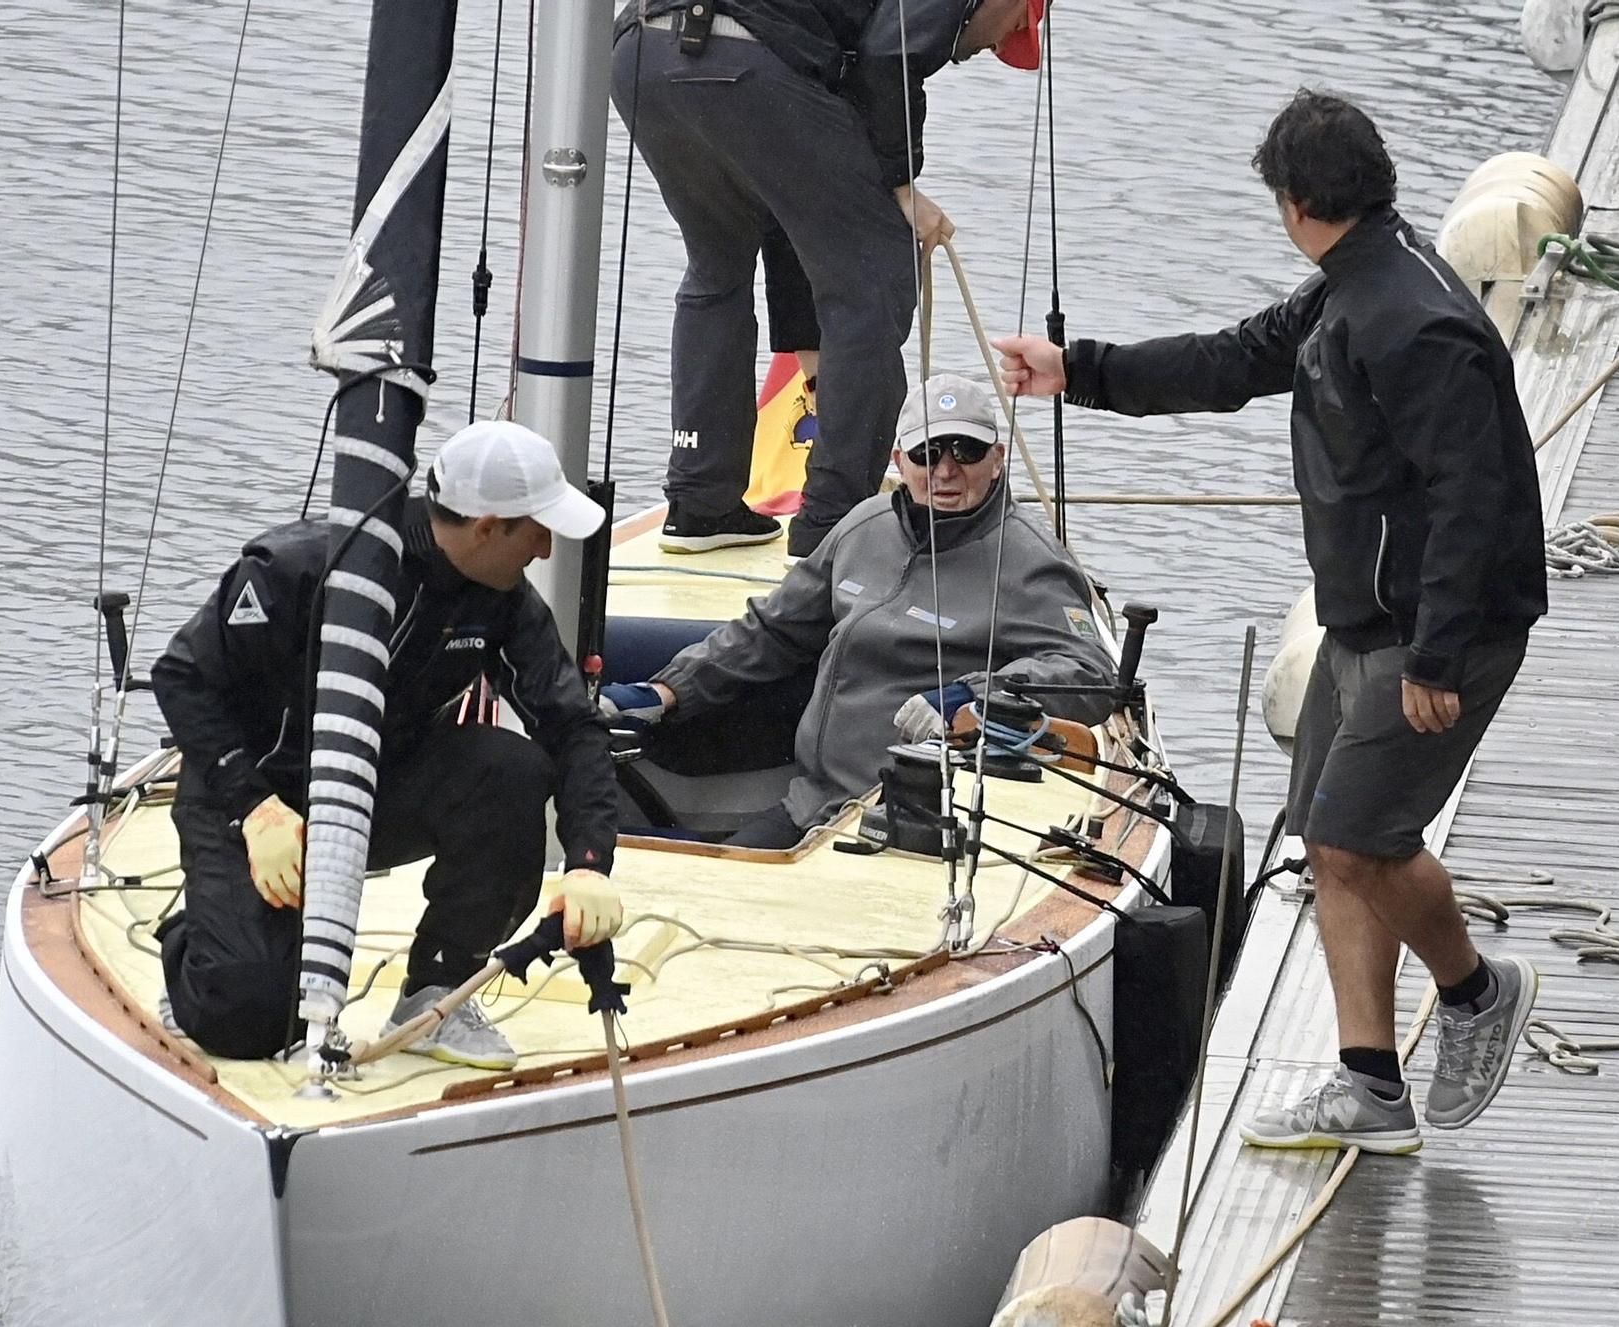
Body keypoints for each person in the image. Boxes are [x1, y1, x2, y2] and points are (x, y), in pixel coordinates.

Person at [995, 89, 1548, 1152]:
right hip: (1362, 623)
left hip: (1433, 636)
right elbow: (1229, 360)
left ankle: (1476, 994)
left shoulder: (1409, 319)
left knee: (1357, 837)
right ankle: (1369, 1083)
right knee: (1333, 848)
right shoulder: (1350, 285)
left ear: (1293, 202)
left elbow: (1468, 497)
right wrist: (1080, 372)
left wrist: (1433, 655)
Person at [151, 421, 625, 1069]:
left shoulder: (501, 600)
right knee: (249, 1017)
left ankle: (437, 986)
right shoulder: (297, 569)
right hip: (253, 801)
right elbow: (180, 677)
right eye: (536, 529)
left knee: (513, 768)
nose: (545, 550)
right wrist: (255, 809)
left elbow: (575, 727)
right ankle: (191, 943)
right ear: (487, 526)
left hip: (379, 784)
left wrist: (589, 862)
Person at [601, 373, 1117, 848]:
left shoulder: (1029, 561)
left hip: (913, 820)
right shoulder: (863, 525)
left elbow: (1090, 675)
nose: (946, 470)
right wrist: (665, 690)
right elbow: (772, 630)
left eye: (966, 450)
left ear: (998, 458)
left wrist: (970, 695)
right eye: (927, 453)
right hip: (810, 804)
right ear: (899, 461)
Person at [613, 0, 1047, 559]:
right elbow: (892, 54)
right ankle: (834, 527)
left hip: (640, 52)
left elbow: (802, 209)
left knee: (716, 268)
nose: (989, 48)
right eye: (1012, 29)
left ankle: (700, 505)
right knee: (876, 278)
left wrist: (816, 359)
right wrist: (901, 186)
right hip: (746, 57)